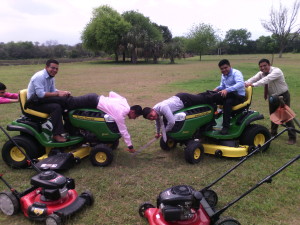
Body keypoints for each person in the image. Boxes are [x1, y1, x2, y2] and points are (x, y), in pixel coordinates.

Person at [63, 92, 143, 153]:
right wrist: (130, 146)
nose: (134, 119)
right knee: (68, 103)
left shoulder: (124, 101)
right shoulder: (120, 114)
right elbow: (123, 131)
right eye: (135, 117)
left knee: (71, 107)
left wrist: (109, 104)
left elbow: (111, 93)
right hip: (91, 101)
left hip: (95, 98)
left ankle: (73, 132)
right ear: (132, 112)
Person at [245, 58, 296, 145]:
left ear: (269, 65)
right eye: (261, 66)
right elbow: (253, 79)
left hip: (282, 95)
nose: (263, 68)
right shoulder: (261, 73)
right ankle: (273, 133)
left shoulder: (276, 71)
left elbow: (266, 79)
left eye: (265, 65)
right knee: (273, 115)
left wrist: (253, 85)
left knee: (286, 116)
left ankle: (292, 137)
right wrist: (244, 84)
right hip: (272, 97)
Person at [26, 59, 71, 142]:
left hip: (41, 100)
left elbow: (53, 90)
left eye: (56, 68)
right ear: (46, 67)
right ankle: (56, 135)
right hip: (33, 102)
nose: (55, 70)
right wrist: (58, 94)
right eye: (52, 68)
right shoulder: (39, 76)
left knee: (64, 101)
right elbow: (40, 94)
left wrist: (63, 92)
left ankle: (68, 128)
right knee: (56, 107)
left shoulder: (51, 77)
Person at [142, 91, 218, 140]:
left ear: (152, 110)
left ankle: (217, 94)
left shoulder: (162, 107)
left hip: (184, 99)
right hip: (179, 99)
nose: (152, 118)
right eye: (150, 118)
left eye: (151, 115)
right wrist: (158, 133)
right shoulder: (155, 110)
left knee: (203, 99)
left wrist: (164, 131)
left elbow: (172, 122)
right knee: (200, 99)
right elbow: (157, 123)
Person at [213, 59, 245, 135]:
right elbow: (222, 86)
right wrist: (216, 89)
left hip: (239, 96)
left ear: (230, 66)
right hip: (228, 95)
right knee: (213, 97)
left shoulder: (236, 73)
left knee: (227, 102)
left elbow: (240, 83)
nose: (224, 70)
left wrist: (227, 90)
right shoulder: (223, 75)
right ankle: (212, 119)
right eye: (222, 69)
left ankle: (225, 127)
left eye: (225, 67)